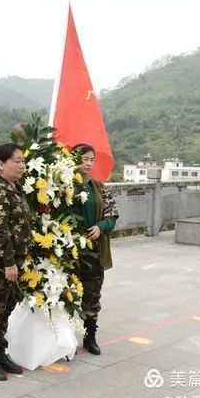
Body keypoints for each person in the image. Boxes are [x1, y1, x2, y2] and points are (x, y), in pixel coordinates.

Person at [0, 143, 32, 381]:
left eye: (23, 161)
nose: (22, 165)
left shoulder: (14, 188)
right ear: (1, 164)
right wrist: (9, 263)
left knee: (7, 307)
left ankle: (0, 350)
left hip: (13, 261)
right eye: (16, 161)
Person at [73, 143, 119, 355]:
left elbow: (112, 217)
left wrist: (100, 227)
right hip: (68, 252)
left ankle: (89, 337)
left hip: (94, 252)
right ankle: (61, 339)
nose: (88, 163)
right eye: (84, 158)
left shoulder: (99, 187)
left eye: (91, 159)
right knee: (63, 295)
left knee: (92, 297)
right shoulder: (63, 186)